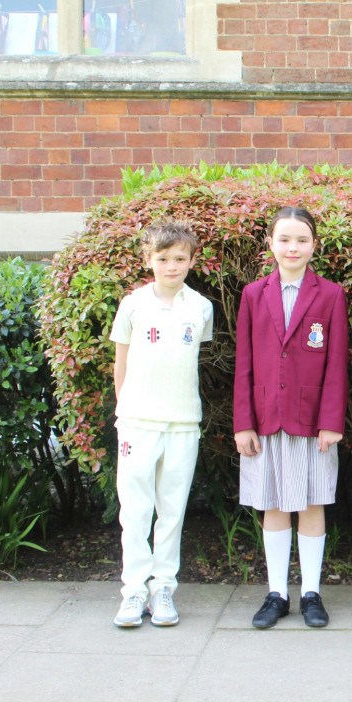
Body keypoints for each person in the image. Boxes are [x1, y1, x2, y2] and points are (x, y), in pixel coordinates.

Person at [233, 207, 349, 629]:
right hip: (266, 419)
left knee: (312, 501)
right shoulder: (253, 294)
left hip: (313, 420)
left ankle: (312, 592)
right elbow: (244, 361)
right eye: (284, 239)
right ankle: (277, 592)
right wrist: (243, 422)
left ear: (313, 245)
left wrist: (332, 421)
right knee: (275, 503)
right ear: (271, 244)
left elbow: (336, 363)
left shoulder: (330, 295)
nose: (292, 247)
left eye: (301, 239)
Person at [111, 222, 214, 628]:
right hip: (137, 422)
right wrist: (125, 413)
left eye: (179, 259)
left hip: (184, 422)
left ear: (191, 261)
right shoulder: (133, 305)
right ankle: (133, 590)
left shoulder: (201, 307)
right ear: (148, 260)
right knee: (135, 510)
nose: (171, 266)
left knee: (172, 509)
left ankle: (163, 588)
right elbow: (120, 363)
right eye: (163, 258)